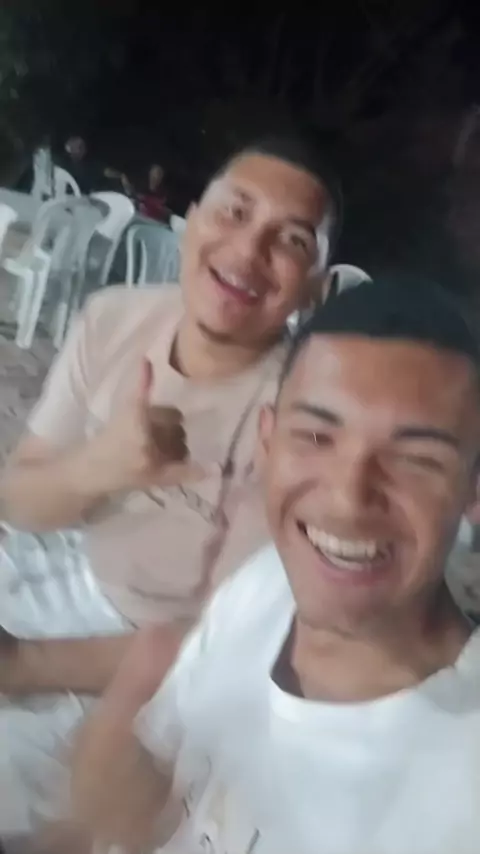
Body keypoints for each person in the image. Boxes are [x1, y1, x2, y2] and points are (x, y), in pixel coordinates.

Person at [0, 133, 340, 832]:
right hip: (69, 569)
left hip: (158, 666)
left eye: (291, 241)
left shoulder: (301, 422)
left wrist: (23, 663)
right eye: (234, 212)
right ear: (191, 218)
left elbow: (220, 648)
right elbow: (19, 501)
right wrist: (101, 466)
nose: (247, 250)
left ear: (316, 286)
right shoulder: (115, 317)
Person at [73, 277, 480, 853]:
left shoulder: (461, 789)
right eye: (315, 435)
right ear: (268, 442)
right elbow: (158, 764)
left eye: (416, 460)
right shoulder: (266, 584)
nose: (347, 499)